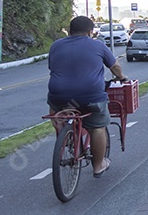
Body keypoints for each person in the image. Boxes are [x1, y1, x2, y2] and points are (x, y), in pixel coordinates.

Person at [47, 16, 126, 177]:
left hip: (59, 96)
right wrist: (122, 77)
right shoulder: (98, 45)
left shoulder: (56, 45)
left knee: (55, 110)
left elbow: (52, 66)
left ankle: (64, 133)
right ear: (91, 32)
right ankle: (98, 165)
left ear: (70, 31)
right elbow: (115, 66)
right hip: (90, 96)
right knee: (97, 127)